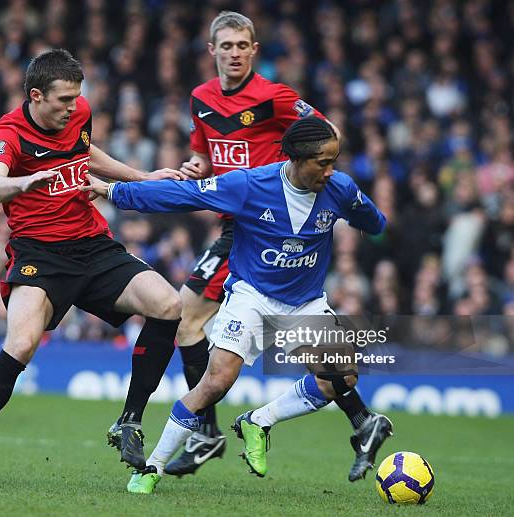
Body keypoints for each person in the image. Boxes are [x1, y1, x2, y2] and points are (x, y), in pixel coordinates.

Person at [109, 10, 387, 482]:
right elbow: (204, 150)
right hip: (236, 212)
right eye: (227, 46)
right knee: (189, 320)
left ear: (254, 50)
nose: (235, 53)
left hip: (261, 217)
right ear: (212, 50)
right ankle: (356, 418)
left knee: (186, 314)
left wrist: (301, 172)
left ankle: (203, 430)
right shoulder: (200, 99)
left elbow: (324, 135)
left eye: (243, 46)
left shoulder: (276, 98)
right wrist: (197, 164)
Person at [82, 116, 394, 494]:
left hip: (305, 303)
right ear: (297, 159)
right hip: (251, 296)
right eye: (323, 162)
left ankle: (257, 422)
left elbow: (375, 223)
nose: (331, 171)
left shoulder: (339, 188)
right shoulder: (249, 185)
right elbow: (186, 195)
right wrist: (116, 194)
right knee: (216, 382)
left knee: (340, 376)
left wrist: (369, 218)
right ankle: (152, 468)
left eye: (334, 161)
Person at [0, 48, 187, 487]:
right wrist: (23, 181)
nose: (75, 106)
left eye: (77, 97)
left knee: (168, 304)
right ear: (36, 95)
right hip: (40, 255)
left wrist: (142, 176)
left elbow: (85, 153)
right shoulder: (7, 134)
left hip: (92, 245)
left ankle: (129, 420)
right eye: (64, 100)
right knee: (21, 344)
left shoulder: (79, 112)